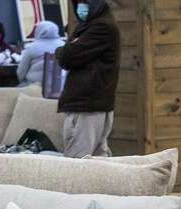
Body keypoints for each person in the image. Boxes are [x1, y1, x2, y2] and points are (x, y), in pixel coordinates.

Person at [55, 0, 120, 158]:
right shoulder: (92, 25)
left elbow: (68, 56)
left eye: (84, 2)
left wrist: (61, 51)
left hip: (87, 104)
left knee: (77, 161)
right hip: (93, 102)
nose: (80, 7)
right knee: (98, 159)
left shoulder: (100, 27)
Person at [16, 20, 65, 86]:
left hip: (34, 86)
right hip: (60, 87)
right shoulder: (63, 45)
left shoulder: (32, 47)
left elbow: (20, 73)